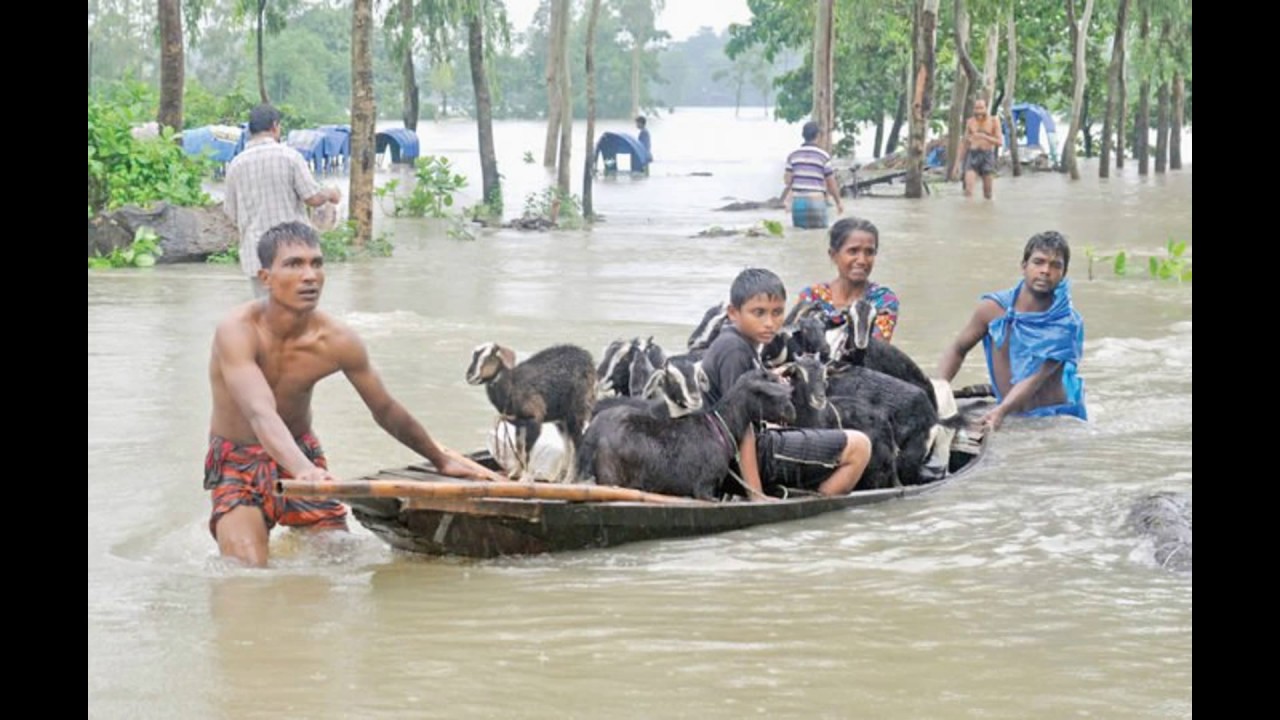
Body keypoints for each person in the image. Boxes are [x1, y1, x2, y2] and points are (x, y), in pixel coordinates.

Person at [204, 221, 503, 567]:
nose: (310, 275)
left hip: (301, 451)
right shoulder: (237, 331)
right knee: (247, 572)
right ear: (265, 277)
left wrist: (441, 459)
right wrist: (303, 472)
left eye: (316, 263)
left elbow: (385, 409)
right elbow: (260, 413)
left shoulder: (337, 340)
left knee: (338, 561)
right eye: (294, 264)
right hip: (238, 460)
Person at [701, 268, 872, 498]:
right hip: (738, 457)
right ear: (733, 312)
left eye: (777, 312)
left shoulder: (737, 341)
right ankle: (813, 506)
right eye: (759, 313)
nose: (770, 323)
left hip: (722, 451)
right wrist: (755, 494)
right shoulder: (735, 351)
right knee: (859, 447)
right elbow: (742, 430)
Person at [937, 231, 1088, 431]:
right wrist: (939, 390)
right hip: (1010, 412)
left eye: (1055, 265)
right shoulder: (992, 309)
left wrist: (1001, 411)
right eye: (1039, 262)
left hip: (1053, 418)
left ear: (1063, 274)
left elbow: (1035, 379)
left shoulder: (1066, 323)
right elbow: (958, 349)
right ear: (1024, 266)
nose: (1045, 270)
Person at [223, 104, 341, 299]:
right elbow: (312, 198)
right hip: (292, 254)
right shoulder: (290, 157)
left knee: (267, 314)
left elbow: (230, 213)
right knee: (297, 313)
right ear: (275, 126)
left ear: (250, 130)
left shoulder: (235, 165)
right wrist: (330, 194)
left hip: (256, 257)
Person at [794, 217, 901, 342]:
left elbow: (876, 349)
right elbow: (794, 342)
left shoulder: (883, 300)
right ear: (833, 255)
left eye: (869, 252)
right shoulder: (812, 296)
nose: (862, 260)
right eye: (853, 251)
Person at [782, 121, 844, 230]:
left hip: (798, 204)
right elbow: (831, 183)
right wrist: (838, 202)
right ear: (818, 135)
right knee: (819, 237)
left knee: (800, 237)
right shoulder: (823, 156)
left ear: (803, 135)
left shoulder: (792, 155)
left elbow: (788, 181)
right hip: (816, 201)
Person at [960, 98, 1004, 200]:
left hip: (987, 155)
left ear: (986, 108)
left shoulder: (994, 121)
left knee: (987, 194)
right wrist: (957, 164)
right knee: (968, 191)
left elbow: (1000, 142)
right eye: (976, 108)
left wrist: (983, 136)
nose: (979, 111)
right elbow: (964, 143)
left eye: (981, 108)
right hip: (972, 155)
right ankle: (968, 213)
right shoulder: (970, 122)